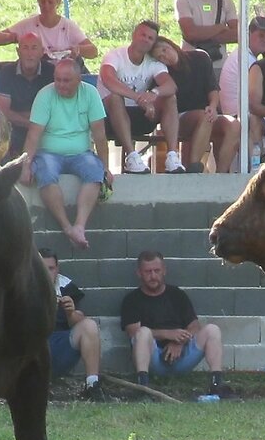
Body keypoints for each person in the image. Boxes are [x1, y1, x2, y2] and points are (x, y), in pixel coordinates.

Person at [19, 58, 111, 250]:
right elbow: (33, 135)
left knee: (95, 171)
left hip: (81, 152)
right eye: (58, 79)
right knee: (46, 174)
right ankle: (67, 227)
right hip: (49, 153)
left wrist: (106, 167)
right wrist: (25, 165)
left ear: (79, 80)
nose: (60, 85)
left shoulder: (91, 94)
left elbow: (100, 136)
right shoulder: (45, 95)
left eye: (66, 80)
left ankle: (79, 225)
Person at [121, 250, 230, 397]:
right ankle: (143, 388)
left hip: (182, 357)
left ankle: (216, 385)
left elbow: (194, 326)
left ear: (164, 271)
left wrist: (179, 342)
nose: (153, 276)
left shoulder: (177, 295)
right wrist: (168, 334)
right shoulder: (132, 300)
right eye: (148, 272)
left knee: (212, 330)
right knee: (143, 332)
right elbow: (133, 332)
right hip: (154, 359)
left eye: (157, 271)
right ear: (139, 273)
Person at [98, 20, 183, 174]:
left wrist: (153, 94)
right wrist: (139, 98)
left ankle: (172, 156)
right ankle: (132, 157)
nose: (145, 39)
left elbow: (171, 86)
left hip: (142, 115)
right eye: (143, 34)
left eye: (150, 38)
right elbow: (108, 80)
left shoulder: (153, 63)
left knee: (170, 97)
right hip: (109, 117)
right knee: (115, 97)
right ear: (134, 34)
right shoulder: (115, 56)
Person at [151, 36, 237, 173]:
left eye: (164, 50)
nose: (165, 56)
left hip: (207, 112)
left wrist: (213, 106)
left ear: (171, 45)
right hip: (179, 117)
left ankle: (222, 173)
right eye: (160, 57)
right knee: (204, 118)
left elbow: (213, 89)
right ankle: (194, 167)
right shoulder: (161, 72)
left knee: (234, 124)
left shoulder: (200, 57)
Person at [39, 249, 106, 401]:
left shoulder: (66, 286)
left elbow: (79, 321)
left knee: (89, 326)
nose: (47, 273)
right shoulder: (23, 284)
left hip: (59, 345)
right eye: (42, 268)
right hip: (31, 346)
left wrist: (70, 312)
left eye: (51, 268)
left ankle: (92, 385)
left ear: (57, 268)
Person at [0, 0, 97, 68]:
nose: (46, 6)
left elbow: (93, 51)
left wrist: (77, 49)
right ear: (38, 2)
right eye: (43, 2)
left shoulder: (68, 26)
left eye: (50, 2)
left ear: (58, 3)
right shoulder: (28, 24)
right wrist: (11, 37)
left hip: (63, 74)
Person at [0, 33, 55, 159]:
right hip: (15, 128)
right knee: (2, 147)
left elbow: (53, 110)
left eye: (34, 48)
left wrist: (30, 121)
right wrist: (33, 122)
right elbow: (3, 111)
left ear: (42, 52)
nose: (29, 53)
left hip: (43, 130)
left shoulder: (51, 71)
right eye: (25, 48)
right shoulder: (7, 71)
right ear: (18, 51)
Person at [175, 0, 238, 72]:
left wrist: (201, 34)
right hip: (191, 64)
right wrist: (220, 28)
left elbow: (238, 34)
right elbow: (189, 33)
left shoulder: (226, 1)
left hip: (219, 65)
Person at [217, 16, 265, 119]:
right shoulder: (246, 59)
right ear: (249, 34)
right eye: (261, 36)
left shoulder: (243, 54)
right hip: (239, 115)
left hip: (236, 111)